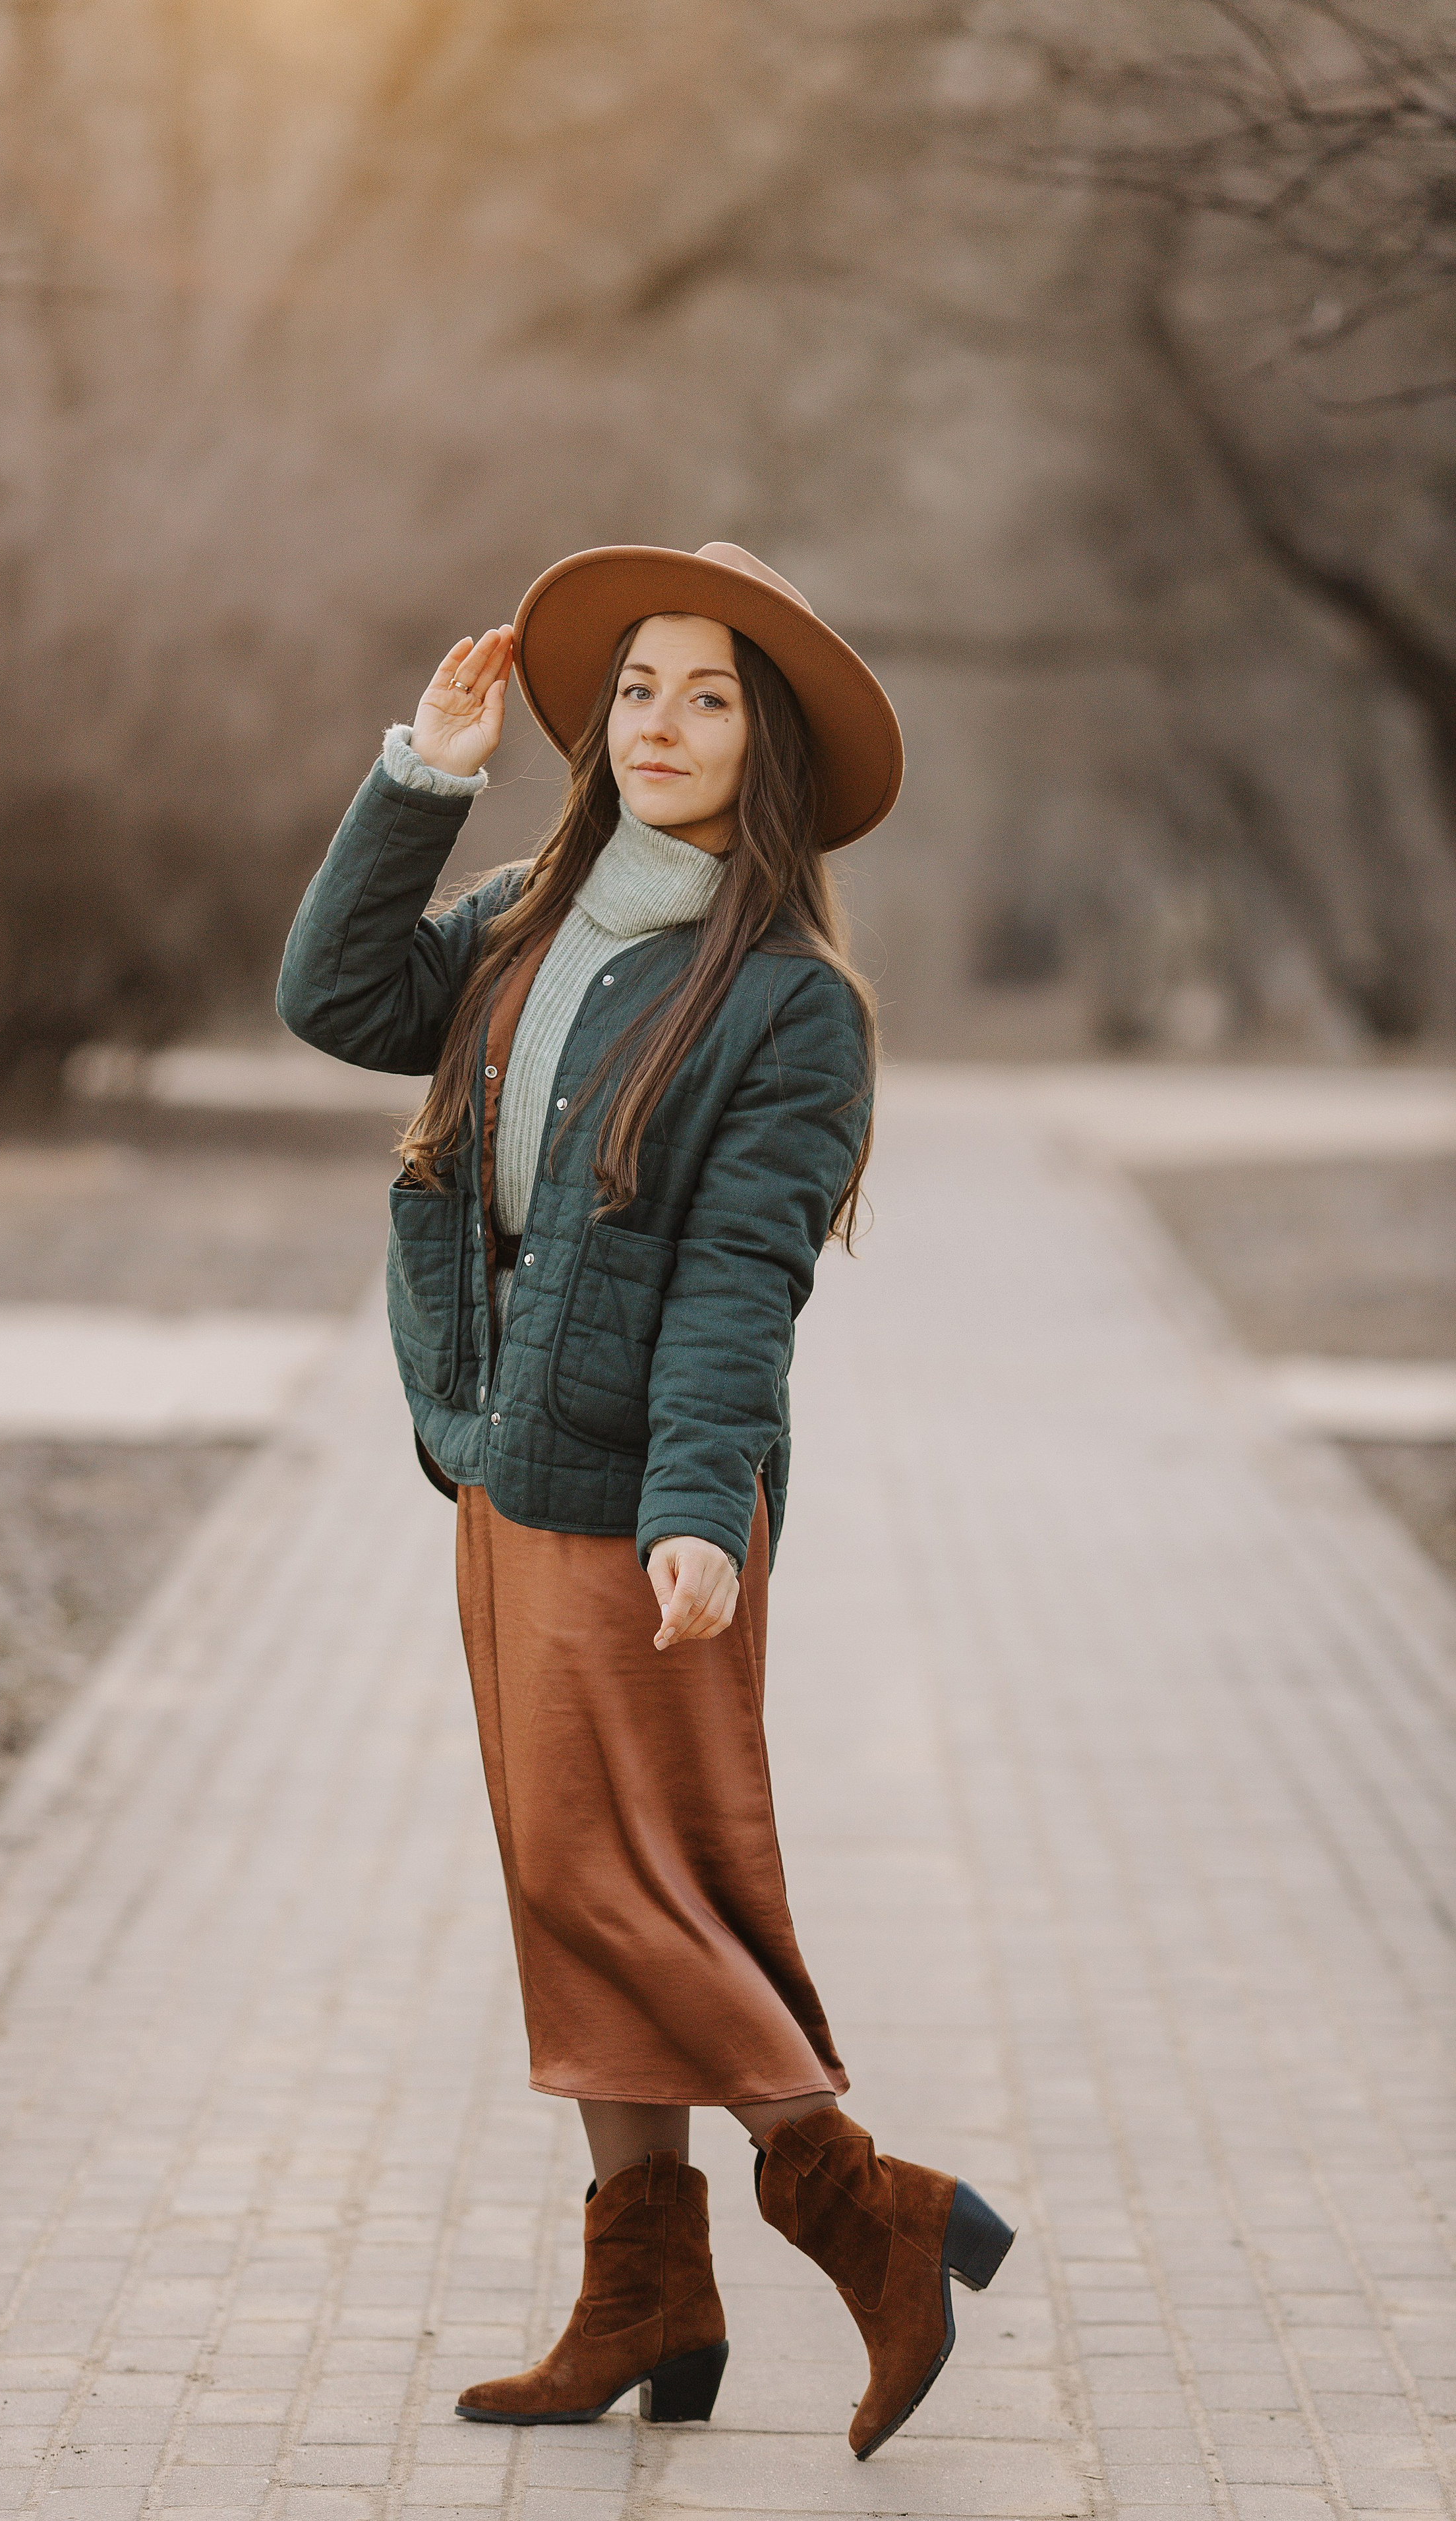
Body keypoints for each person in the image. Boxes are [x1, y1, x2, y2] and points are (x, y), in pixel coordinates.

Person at [277, 543, 1013, 2462]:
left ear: (763, 744)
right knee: (567, 1875)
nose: (663, 725)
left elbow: (734, 1285)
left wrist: (700, 1505)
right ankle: (649, 2296)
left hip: (646, 1503)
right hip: (503, 1463)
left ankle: (867, 2211)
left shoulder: (789, 1008)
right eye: (638, 691)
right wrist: (421, 779)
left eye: (709, 696)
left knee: (628, 1879)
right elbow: (337, 993)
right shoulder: (526, 916)